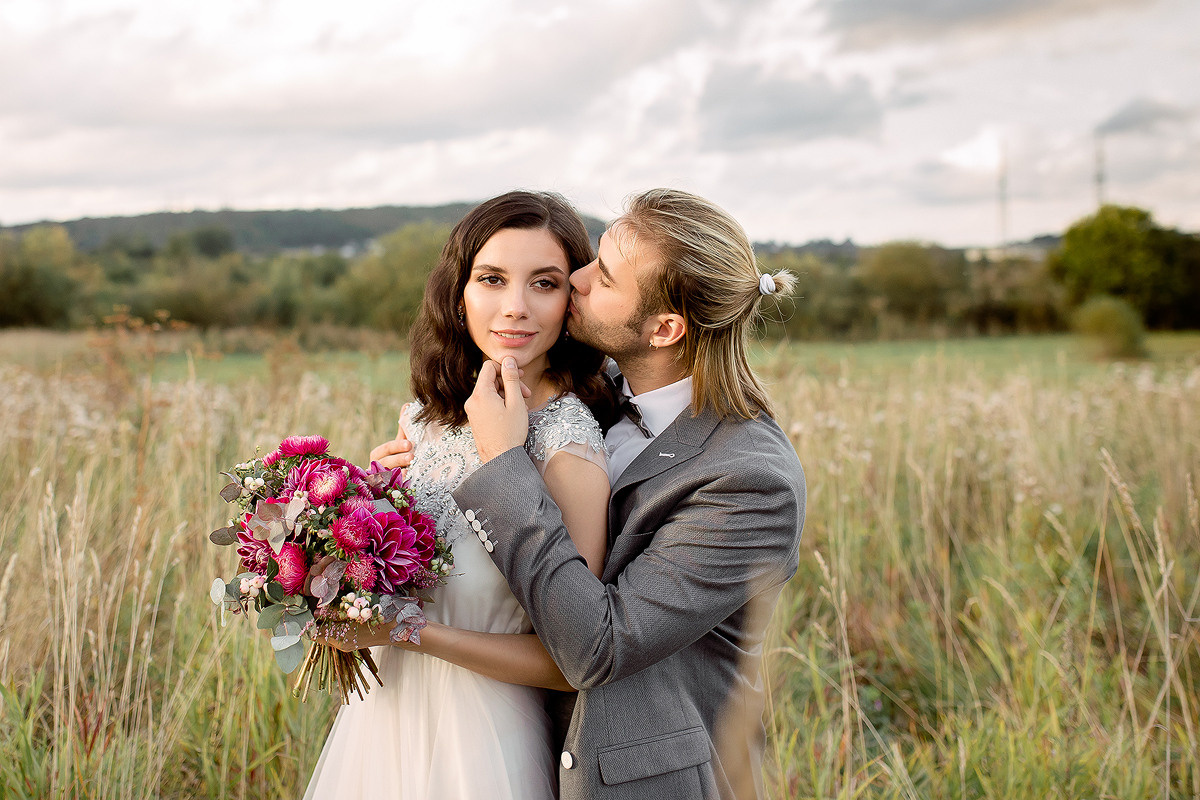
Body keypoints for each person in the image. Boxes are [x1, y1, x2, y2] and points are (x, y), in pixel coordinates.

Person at [448, 188, 806, 799]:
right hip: (510, 756)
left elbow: (598, 646)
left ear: (664, 328)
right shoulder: (585, 394)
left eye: (603, 276)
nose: (576, 279)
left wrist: (501, 464)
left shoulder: (749, 481)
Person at [303, 190, 613, 800]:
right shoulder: (423, 419)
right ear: (459, 290)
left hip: (485, 747)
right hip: (381, 727)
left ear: (570, 303)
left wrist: (409, 632)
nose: (514, 308)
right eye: (492, 278)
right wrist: (362, 518)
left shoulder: (569, 446)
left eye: (544, 284)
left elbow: (569, 660)